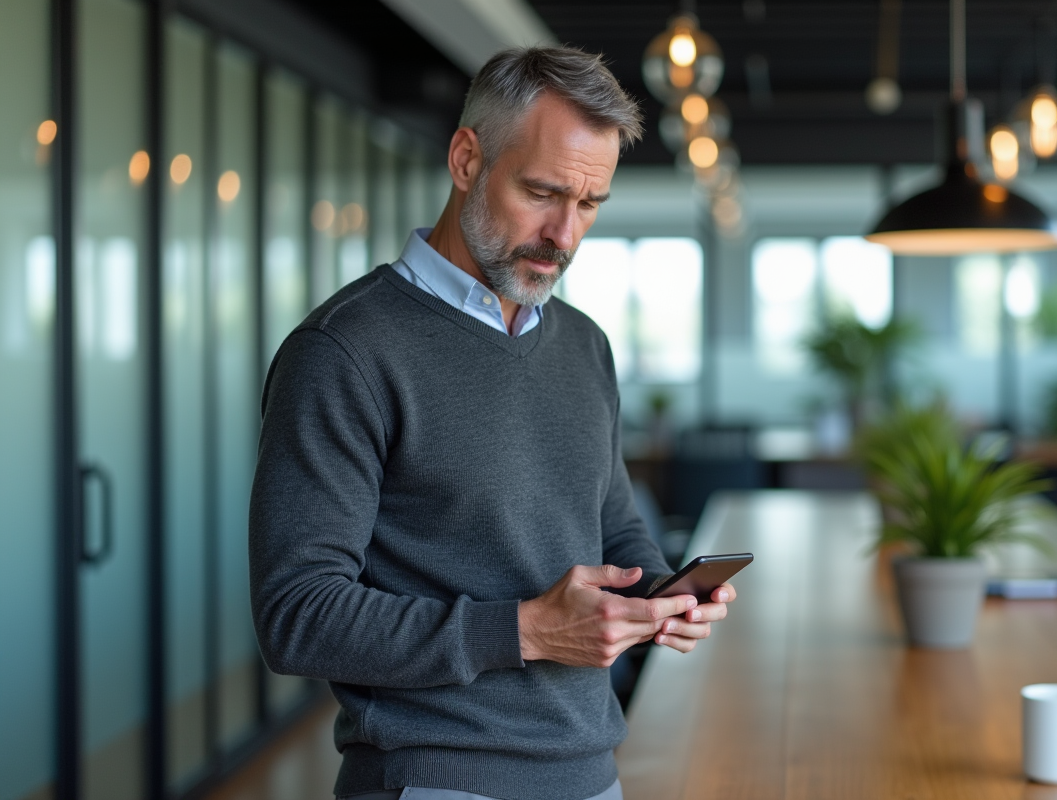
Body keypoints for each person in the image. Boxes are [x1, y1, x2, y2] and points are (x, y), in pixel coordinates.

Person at [249, 46, 738, 800]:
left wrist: (665, 595)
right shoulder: (344, 352)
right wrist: (530, 630)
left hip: (592, 773)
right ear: (467, 158)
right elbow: (297, 616)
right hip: (433, 780)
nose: (565, 235)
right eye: (542, 192)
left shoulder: (584, 345)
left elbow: (612, 526)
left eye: (590, 204)